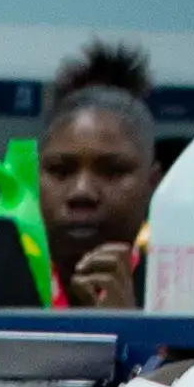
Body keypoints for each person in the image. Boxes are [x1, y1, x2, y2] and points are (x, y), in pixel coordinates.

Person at [32, 38, 165, 309]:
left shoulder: (182, 298)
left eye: (113, 171)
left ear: (153, 185)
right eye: (60, 170)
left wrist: (130, 331)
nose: (82, 192)